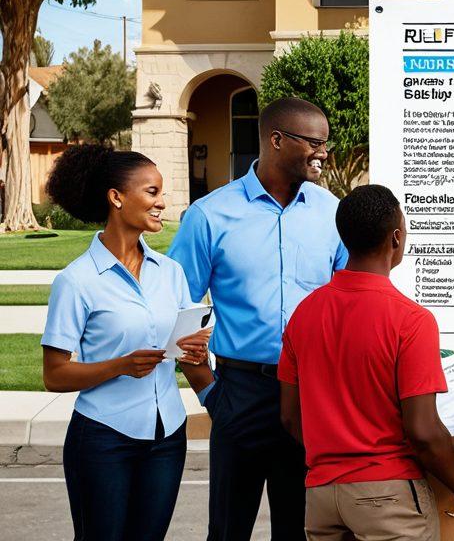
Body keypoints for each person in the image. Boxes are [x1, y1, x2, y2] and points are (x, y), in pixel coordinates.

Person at [169, 96, 348, 541]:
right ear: (276, 140)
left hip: (310, 394)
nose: (323, 153)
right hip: (239, 394)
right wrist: (209, 393)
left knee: (300, 531)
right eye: (314, 143)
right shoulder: (209, 215)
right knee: (228, 530)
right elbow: (177, 310)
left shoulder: (332, 213)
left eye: (325, 143)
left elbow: (351, 304)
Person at [279, 184, 454, 541]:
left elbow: (290, 417)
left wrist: (339, 453)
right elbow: (423, 432)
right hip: (387, 495)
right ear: (396, 238)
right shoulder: (411, 320)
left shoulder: (303, 314)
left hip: (321, 497)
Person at [41, 144, 214, 541]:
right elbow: (54, 374)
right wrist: (120, 365)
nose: (162, 203)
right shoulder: (76, 281)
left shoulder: (170, 272)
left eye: (161, 193)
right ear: (116, 198)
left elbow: (187, 348)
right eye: (152, 192)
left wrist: (196, 351)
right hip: (103, 439)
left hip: (168, 437)